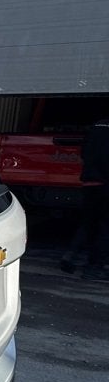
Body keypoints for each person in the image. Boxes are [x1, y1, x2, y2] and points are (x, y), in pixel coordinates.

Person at [61, 119, 109, 280]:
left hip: (89, 183)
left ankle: (70, 256)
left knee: (88, 223)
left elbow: (84, 152)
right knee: (104, 227)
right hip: (105, 184)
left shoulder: (96, 127)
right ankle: (95, 267)